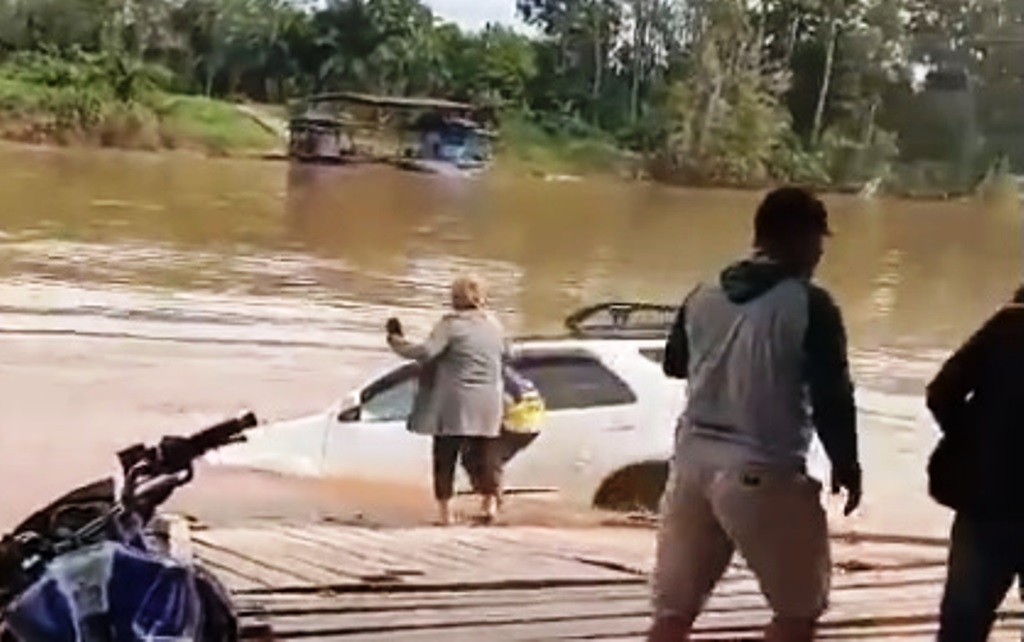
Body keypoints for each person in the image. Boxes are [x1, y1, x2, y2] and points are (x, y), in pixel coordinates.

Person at [649, 186, 861, 642]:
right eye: (817, 240)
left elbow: (674, 364)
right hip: (763, 469)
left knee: (673, 613)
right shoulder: (810, 304)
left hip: (691, 465)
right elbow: (832, 395)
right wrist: (847, 462)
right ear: (798, 238)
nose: (820, 252)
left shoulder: (701, 294)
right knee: (796, 613)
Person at [927, 285, 1024, 641]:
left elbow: (941, 393)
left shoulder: (1008, 326)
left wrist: (972, 442)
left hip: (987, 498)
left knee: (962, 623)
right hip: (990, 497)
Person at [386, 275, 506, 526]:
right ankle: (490, 504)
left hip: (456, 401)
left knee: (445, 455)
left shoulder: (450, 325)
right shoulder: (494, 324)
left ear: (455, 298)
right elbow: (510, 352)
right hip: (489, 400)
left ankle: (445, 514)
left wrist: (397, 342)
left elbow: (426, 352)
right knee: (486, 454)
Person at [463, 363, 547, 499]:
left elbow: (502, 403)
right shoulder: (512, 376)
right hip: (532, 424)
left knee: (488, 458)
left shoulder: (495, 380)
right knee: (488, 458)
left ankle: (492, 500)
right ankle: (490, 496)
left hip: (516, 424)